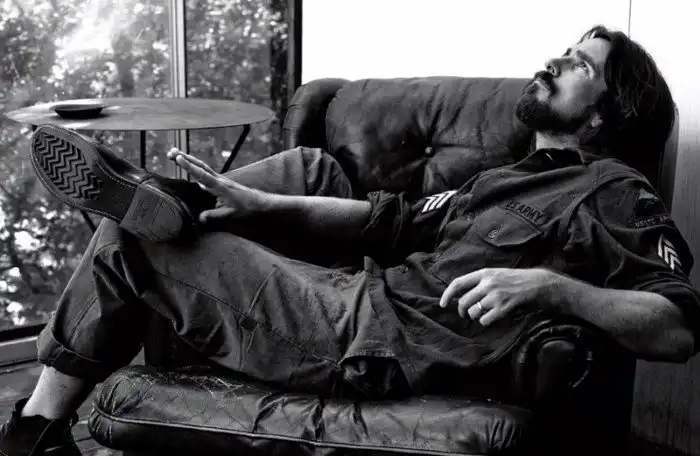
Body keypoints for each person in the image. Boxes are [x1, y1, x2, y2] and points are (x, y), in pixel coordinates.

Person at [2, 24, 699, 456]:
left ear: (604, 116)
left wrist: (551, 289)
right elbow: (384, 222)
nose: (554, 60)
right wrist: (260, 204)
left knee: (133, 238)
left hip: (371, 339)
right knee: (310, 173)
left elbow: (677, 329)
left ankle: (33, 434)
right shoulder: (503, 180)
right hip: (355, 295)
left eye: (579, 65)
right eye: (566, 51)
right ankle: (184, 204)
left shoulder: (612, 189)